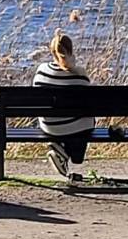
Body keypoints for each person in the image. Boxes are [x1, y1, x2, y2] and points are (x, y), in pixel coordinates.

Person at [33, 33, 94, 182]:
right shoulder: (80, 74)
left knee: (68, 120)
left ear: (52, 52)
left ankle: (60, 150)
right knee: (86, 120)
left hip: (50, 127)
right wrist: (72, 65)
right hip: (76, 129)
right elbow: (88, 103)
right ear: (71, 51)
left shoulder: (41, 70)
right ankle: (69, 155)